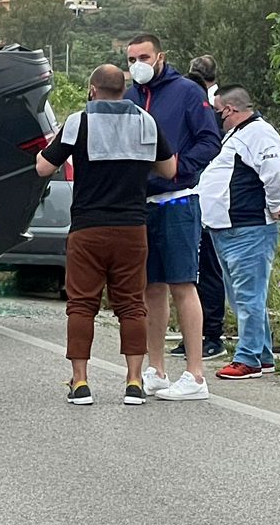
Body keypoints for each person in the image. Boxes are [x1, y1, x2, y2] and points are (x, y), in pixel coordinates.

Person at [38, 64, 176, 405]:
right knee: (131, 305)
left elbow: (43, 166)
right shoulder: (146, 121)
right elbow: (170, 169)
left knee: (82, 305)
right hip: (132, 227)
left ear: (92, 89)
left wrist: (51, 146)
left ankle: (81, 382)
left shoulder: (79, 122)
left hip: (88, 228)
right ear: (123, 89)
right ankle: (133, 381)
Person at [127, 34, 220, 401]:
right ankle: (156, 369)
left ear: (160, 56)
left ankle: (196, 375)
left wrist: (180, 168)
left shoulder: (185, 92)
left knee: (183, 284)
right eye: (132, 58)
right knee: (151, 288)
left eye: (144, 56)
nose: (138, 64)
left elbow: (210, 139)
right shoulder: (129, 96)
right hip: (141, 203)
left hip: (179, 201)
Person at [199, 86, 280, 380]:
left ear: (229, 110)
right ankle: (262, 354)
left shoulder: (259, 134)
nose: (215, 117)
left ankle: (247, 357)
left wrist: (275, 205)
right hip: (227, 227)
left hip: (248, 227)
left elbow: (275, 171)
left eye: (216, 111)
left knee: (249, 295)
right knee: (242, 296)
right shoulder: (237, 135)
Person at [184, 54, 229, 359]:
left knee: (209, 270)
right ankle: (196, 334)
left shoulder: (219, 109)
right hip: (192, 196)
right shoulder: (199, 104)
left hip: (210, 199)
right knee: (192, 272)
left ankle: (212, 333)